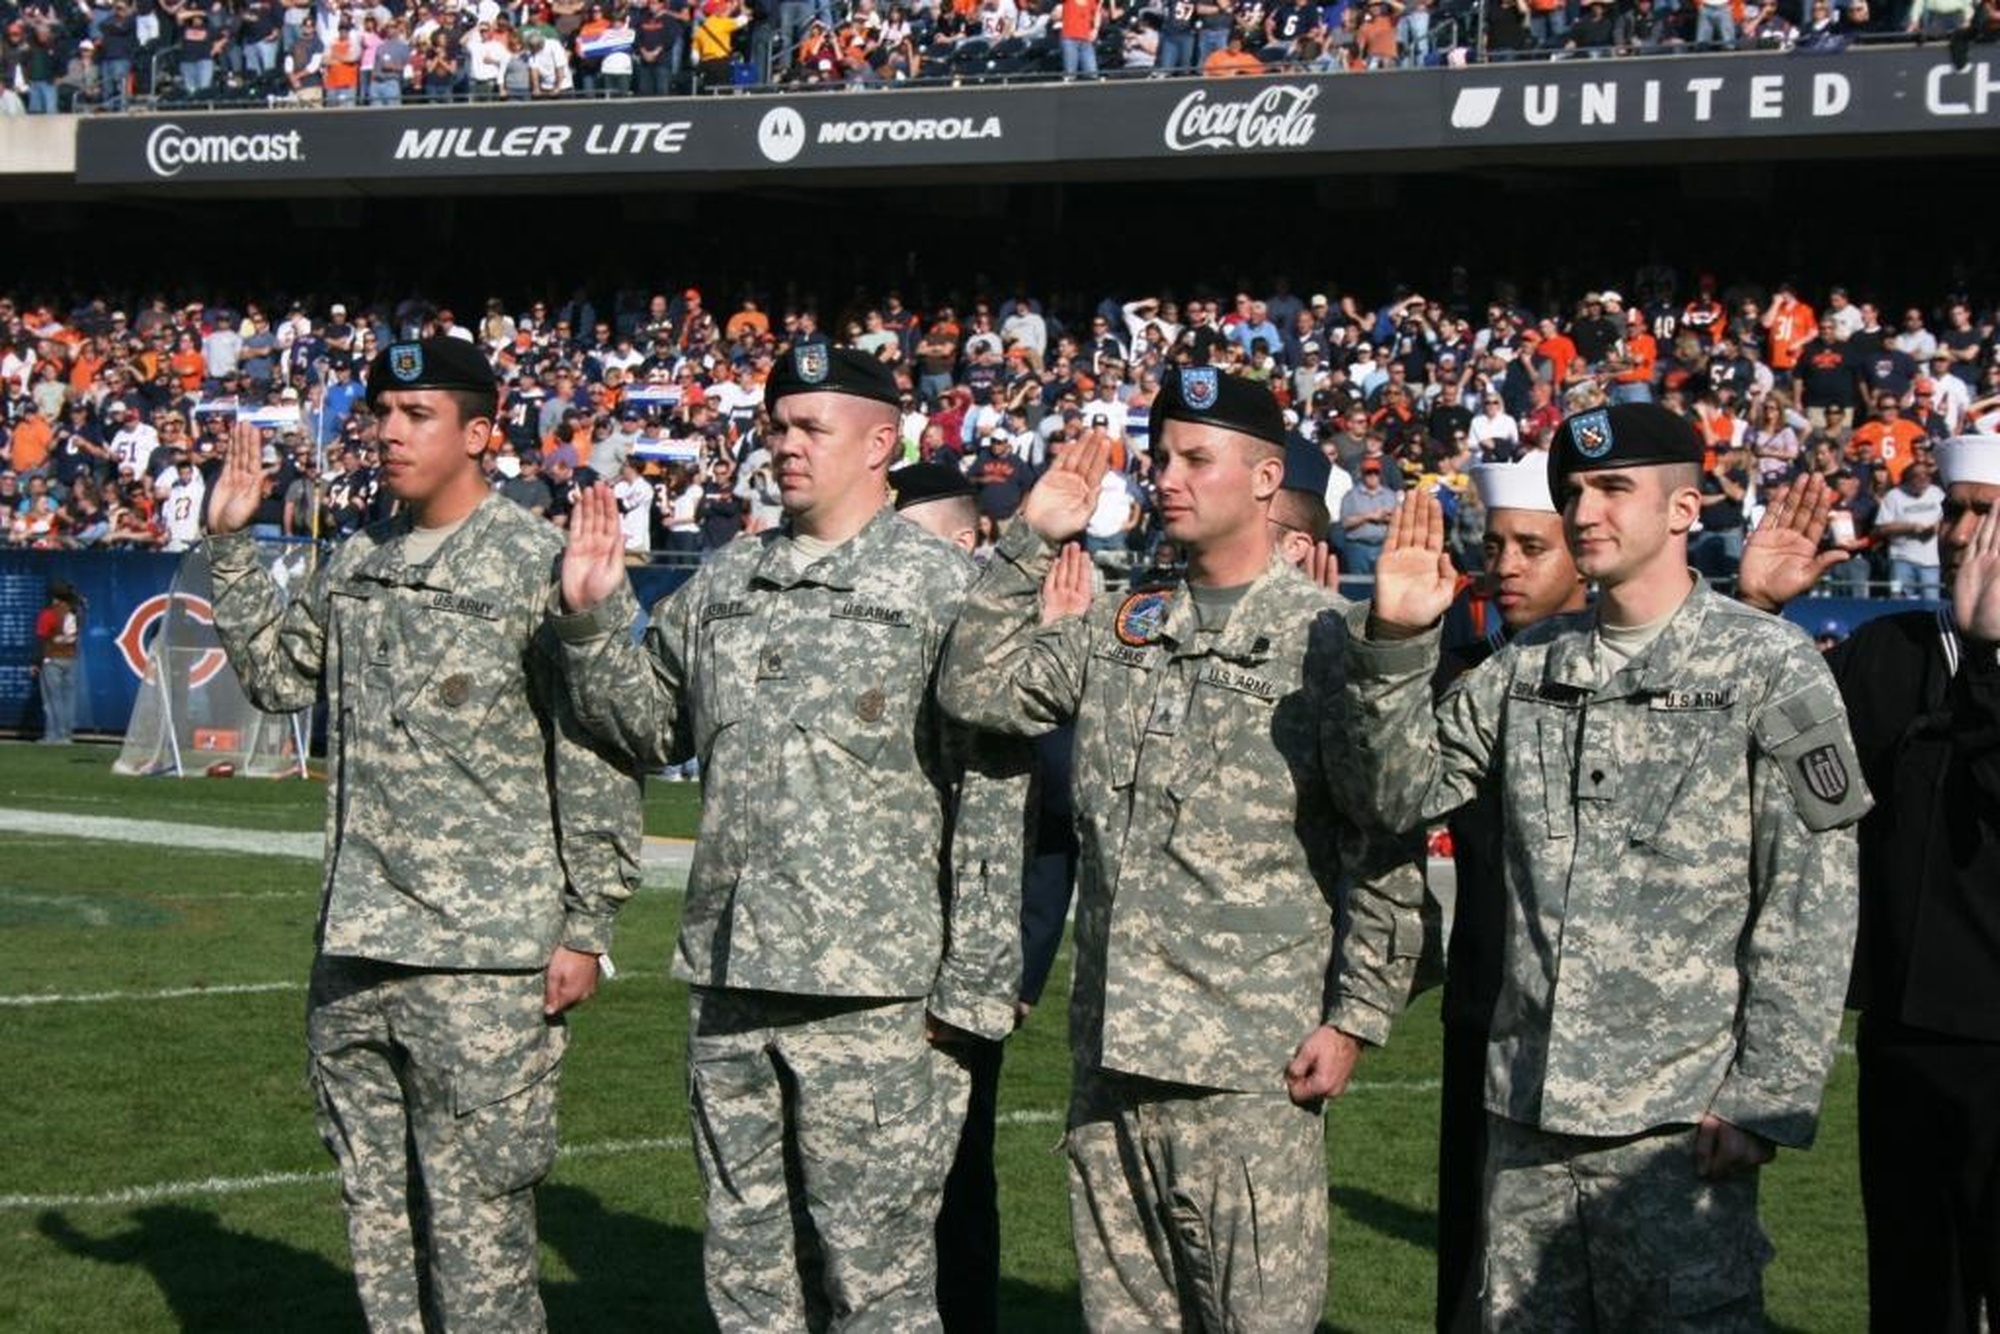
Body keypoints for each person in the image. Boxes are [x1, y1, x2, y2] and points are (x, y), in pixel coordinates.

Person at [1344, 402, 1868, 1328]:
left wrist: (1767, 1096)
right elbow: (1393, 799)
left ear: (1683, 509)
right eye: (1575, 491)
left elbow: (1810, 895)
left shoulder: (1768, 666)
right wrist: (1396, 646)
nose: (1586, 511)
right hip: (1527, 1115)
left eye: (1614, 488)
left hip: (1677, 1128)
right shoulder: (1526, 668)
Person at [937, 365, 1425, 1331]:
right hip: (1113, 1055)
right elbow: (976, 691)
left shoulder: (1328, 641)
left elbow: (1382, 837)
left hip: (1249, 1063)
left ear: (1262, 476)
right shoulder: (1127, 623)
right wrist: (1032, 539)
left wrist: (1359, 1014)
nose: (1167, 476)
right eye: (1161, 457)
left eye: (1197, 458)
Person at [550, 346, 1022, 1332]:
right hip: (731, 978)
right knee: (745, 1274)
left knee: (877, 1284)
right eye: (777, 425)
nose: (784, 444)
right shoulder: (725, 582)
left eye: (812, 427)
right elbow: (644, 727)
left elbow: (988, 791)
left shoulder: (943, 588)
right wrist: (595, 619)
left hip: (877, 994)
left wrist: (970, 990)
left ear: (881, 442)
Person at [203, 337, 644, 1332]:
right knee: (378, 1227)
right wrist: (230, 545)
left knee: (481, 1239)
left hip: (481, 955)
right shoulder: (360, 558)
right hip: (356, 943)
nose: (390, 432)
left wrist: (588, 921)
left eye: (418, 415)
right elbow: (280, 680)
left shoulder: (540, 563)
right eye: (382, 413)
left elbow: (598, 751)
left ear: (481, 431)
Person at [1737, 437, 2000, 1331]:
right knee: (1914, 1292)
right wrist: (1760, 620)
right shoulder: (1889, 652)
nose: (1964, 532)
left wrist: (1990, 669)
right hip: (1903, 1038)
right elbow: (1787, 773)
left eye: (1986, 510)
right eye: (1957, 509)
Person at [891, 459, 1072, 1334]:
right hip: (873, 946)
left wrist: (1021, 968)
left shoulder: (1017, 643)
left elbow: (1055, 822)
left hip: (971, 961)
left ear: (969, 543)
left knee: (956, 1184)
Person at [1429, 457, 1587, 1334]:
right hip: (1485, 1006)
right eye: (1496, 545)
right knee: (1470, 1267)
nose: (1507, 565)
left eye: (1532, 545)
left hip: (1611, 1025)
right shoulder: (1460, 671)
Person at [33, 581, 82, 744]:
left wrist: (35, 662)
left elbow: (41, 640)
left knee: (52, 699)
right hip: (71, 659)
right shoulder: (75, 613)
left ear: (54, 598)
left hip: (52, 659)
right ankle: (66, 735)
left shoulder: (48, 614)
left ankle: (54, 736)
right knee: (68, 698)